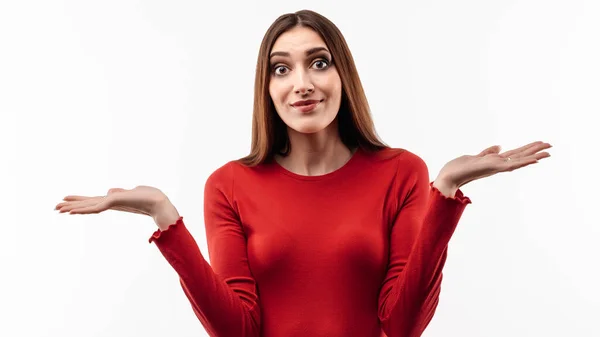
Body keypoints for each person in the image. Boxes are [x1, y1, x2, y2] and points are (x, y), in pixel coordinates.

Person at [55, 9, 551, 337]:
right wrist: (164, 218)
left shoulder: (401, 173)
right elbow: (239, 331)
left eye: (318, 63)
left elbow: (401, 326)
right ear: (266, 87)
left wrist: (445, 192)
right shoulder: (229, 185)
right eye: (281, 69)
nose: (303, 84)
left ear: (342, 75)